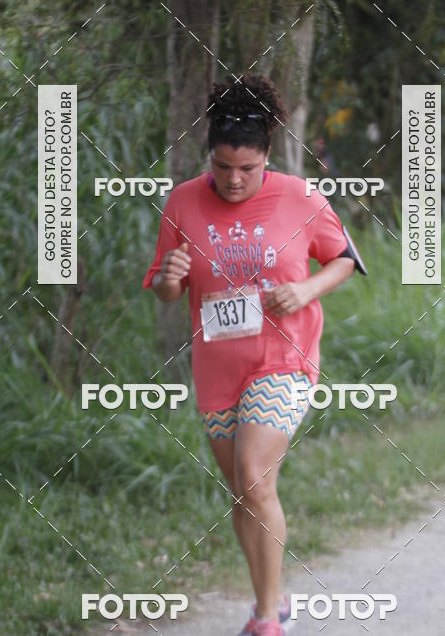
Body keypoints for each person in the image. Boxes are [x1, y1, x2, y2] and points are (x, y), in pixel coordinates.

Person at [143, 73, 365, 636]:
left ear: (269, 155)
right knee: (243, 491)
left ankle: (266, 621)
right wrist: (171, 278)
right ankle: (273, 597)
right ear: (209, 157)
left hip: (284, 357)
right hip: (218, 366)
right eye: (223, 168)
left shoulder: (300, 196)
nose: (235, 180)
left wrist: (306, 290)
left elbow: (343, 258)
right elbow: (167, 289)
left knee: (253, 478)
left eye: (248, 169)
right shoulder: (182, 201)